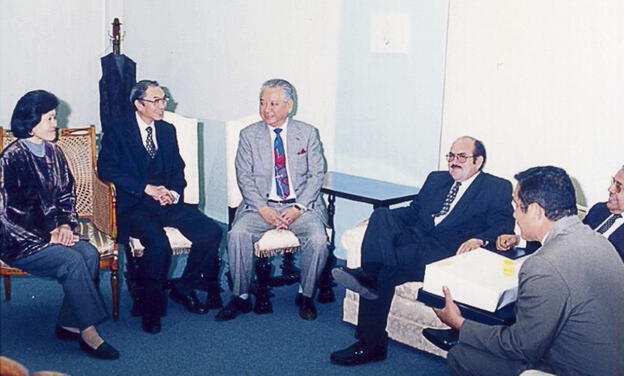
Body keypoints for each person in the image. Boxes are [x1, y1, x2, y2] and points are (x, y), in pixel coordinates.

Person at [435, 166, 624, 376]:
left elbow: (521, 346)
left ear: (534, 211)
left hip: (575, 369)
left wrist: (459, 323)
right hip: (620, 365)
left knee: (462, 355)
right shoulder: (596, 240)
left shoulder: (543, 266)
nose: (514, 213)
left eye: (516, 204)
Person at [330, 136, 515, 366]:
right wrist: (377, 221)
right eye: (451, 155)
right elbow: (414, 211)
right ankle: (370, 277)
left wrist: (480, 239)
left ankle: (370, 343)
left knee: (384, 272)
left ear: (478, 161)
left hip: (444, 252)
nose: (453, 161)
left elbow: (503, 225)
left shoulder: (496, 188)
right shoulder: (437, 179)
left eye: (461, 156)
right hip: (416, 239)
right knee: (381, 214)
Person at [0, 90, 119, 360]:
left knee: (88, 253)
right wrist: (48, 235)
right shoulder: (12, 157)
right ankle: (89, 334)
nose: (56, 123)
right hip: (18, 239)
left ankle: (68, 324)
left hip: (54, 232)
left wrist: (65, 226)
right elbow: (9, 212)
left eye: (55, 117)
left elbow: (67, 194)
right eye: (50, 118)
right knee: (72, 261)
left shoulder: (54, 151)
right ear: (31, 121)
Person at [97, 80, 223, 334]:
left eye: (164, 99)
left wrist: (174, 192)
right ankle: (151, 310)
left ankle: (183, 287)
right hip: (134, 205)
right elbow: (107, 169)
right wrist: (146, 188)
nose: (163, 105)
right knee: (158, 244)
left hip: (166, 201)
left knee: (211, 232)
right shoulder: (117, 130)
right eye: (156, 100)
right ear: (138, 104)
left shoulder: (167, 130)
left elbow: (178, 168)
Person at [216, 79, 328, 322]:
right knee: (237, 234)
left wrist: (299, 208)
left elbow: (316, 174)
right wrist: (263, 208)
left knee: (319, 239)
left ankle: (306, 295)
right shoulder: (248, 135)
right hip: (260, 205)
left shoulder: (307, 133)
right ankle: (240, 297)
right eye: (262, 103)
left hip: (300, 206)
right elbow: (243, 176)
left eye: (274, 104)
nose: (267, 109)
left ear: (289, 106)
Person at [497, 163, 624, 297]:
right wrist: (519, 240)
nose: (610, 189)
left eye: (619, 186)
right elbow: (565, 239)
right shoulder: (599, 210)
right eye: (613, 182)